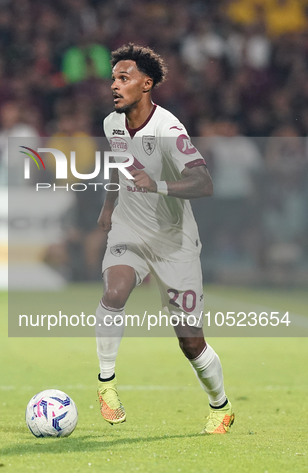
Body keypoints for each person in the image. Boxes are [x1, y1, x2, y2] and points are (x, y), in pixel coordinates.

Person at [95, 44, 234, 434]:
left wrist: (156, 184)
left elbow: (204, 183)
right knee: (115, 291)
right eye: (113, 78)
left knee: (190, 343)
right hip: (129, 229)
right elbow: (118, 166)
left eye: (124, 78)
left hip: (175, 241)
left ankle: (220, 405)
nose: (115, 86)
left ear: (147, 84)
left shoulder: (168, 130)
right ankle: (106, 386)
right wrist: (109, 207)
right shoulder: (112, 124)